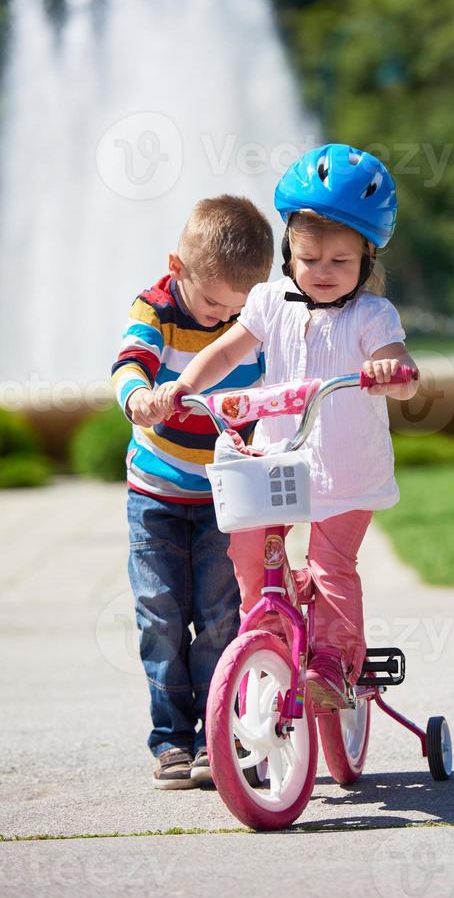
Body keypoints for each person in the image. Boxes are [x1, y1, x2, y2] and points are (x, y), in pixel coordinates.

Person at [155, 145, 418, 709]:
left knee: (330, 565)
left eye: (340, 262)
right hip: (279, 459)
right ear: (288, 254)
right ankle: (271, 633)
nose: (322, 272)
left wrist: (390, 372)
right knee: (248, 550)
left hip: (347, 474)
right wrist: (185, 385)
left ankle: (333, 663)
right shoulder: (270, 302)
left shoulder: (372, 317)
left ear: (367, 260)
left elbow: (400, 370)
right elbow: (226, 352)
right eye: (309, 258)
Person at [111, 195, 273, 787]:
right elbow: (129, 362)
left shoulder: (250, 321)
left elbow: (281, 376)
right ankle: (171, 739)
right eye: (211, 303)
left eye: (234, 308)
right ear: (176, 267)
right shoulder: (155, 310)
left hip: (225, 496)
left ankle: (215, 733)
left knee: (219, 615)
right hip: (156, 491)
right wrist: (141, 398)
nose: (219, 320)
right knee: (159, 613)